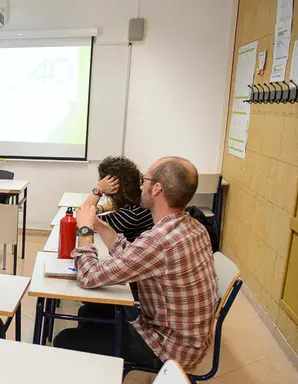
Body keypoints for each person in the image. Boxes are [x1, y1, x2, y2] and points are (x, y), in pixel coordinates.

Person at [52, 157, 219, 371]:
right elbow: (134, 255)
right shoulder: (192, 225)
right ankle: (99, 376)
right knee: (91, 311)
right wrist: (102, 227)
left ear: (157, 188)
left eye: (145, 179)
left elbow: (88, 276)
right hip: (185, 339)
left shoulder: (158, 240)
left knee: (66, 339)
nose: (141, 185)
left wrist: (85, 231)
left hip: (168, 348)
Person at [81, 156, 154, 242]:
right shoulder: (141, 198)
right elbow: (114, 204)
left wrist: (99, 189)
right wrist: (99, 209)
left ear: (114, 187)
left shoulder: (131, 215)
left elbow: (83, 221)